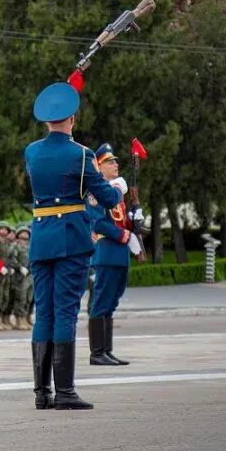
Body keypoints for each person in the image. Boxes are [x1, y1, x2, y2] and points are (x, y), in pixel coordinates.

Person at [25, 81, 121, 410]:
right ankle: (64, 392)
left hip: (41, 237)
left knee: (45, 313)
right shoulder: (82, 155)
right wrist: (117, 187)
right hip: (70, 240)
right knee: (65, 312)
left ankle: (42, 393)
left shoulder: (32, 152)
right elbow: (106, 198)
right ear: (72, 119)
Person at [86, 143, 145, 366]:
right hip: (107, 252)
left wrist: (134, 219)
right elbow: (98, 222)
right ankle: (97, 352)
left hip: (120, 254)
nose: (116, 165)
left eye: (116, 161)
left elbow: (122, 220)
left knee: (112, 301)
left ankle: (107, 350)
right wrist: (124, 235)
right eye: (110, 162)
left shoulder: (117, 193)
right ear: (99, 167)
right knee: (101, 301)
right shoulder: (96, 192)